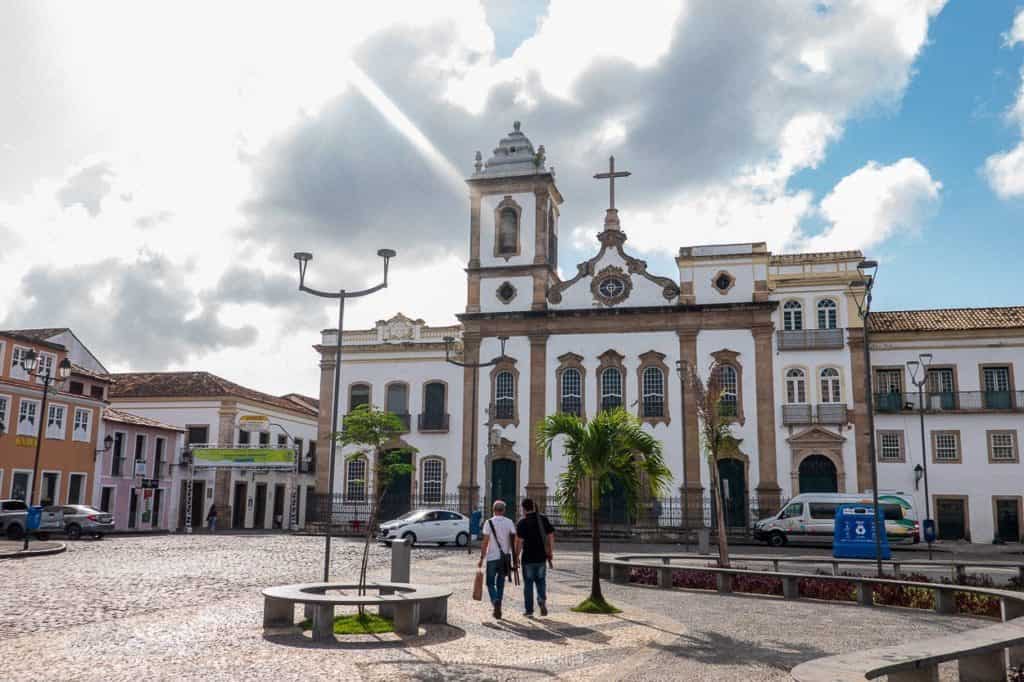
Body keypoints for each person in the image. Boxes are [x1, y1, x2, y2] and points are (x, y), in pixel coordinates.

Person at [515, 498, 554, 617]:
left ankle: (529, 610)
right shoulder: (543, 518)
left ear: (524, 508)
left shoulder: (522, 522)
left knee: (528, 584)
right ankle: (541, 600)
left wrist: (516, 556)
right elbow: (551, 536)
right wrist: (550, 551)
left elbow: (520, 542)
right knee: (541, 581)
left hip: (528, 558)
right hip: (541, 557)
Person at [478, 499, 516, 619]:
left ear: (493, 510)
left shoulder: (488, 523)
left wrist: (481, 558)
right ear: (504, 510)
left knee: (490, 583)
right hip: (505, 557)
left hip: (492, 557)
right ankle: (498, 601)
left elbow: (485, 542)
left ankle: (495, 601)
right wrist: (514, 556)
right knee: (500, 583)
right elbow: (513, 540)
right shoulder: (509, 522)